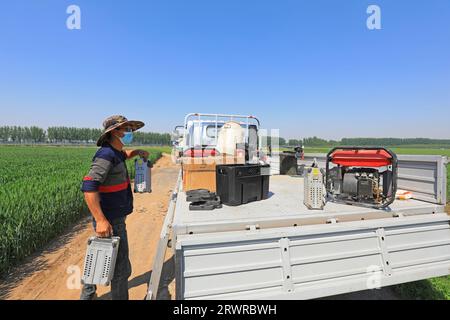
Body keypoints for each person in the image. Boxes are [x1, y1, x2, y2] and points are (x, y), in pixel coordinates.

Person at [79, 115, 149, 300]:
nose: (129, 133)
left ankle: (88, 295)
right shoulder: (106, 155)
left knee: (99, 258)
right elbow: (89, 186)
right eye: (125, 130)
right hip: (111, 220)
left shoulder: (116, 152)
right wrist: (101, 220)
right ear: (113, 133)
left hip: (113, 217)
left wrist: (136, 152)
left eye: (130, 130)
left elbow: (122, 156)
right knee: (121, 270)